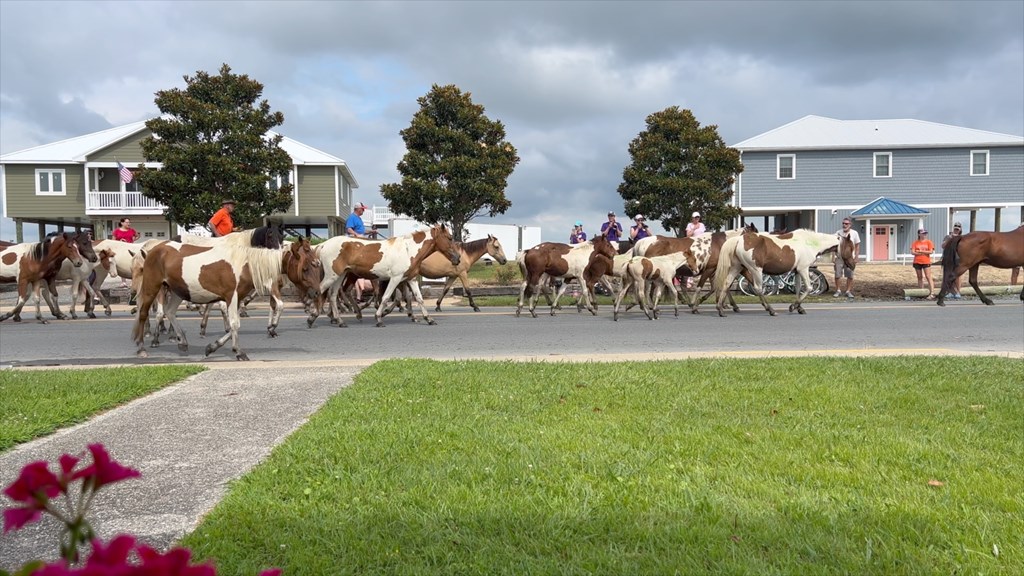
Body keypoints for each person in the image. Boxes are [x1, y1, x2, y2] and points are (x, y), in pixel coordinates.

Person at [833, 217, 861, 298]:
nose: (844, 225)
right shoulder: (838, 233)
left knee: (850, 275)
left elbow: (857, 246)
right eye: (843, 223)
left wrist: (856, 257)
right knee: (837, 274)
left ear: (850, 225)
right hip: (839, 257)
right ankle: (838, 290)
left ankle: (848, 291)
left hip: (849, 258)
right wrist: (833, 257)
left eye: (846, 224)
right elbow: (834, 245)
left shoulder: (854, 233)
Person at [911, 228, 935, 299]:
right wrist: (919, 252)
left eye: (925, 234)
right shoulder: (915, 242)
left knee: (928, 276)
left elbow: (930, 251)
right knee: (919, 277)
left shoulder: (929, 242)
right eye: (923, 233)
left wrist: (921, 251)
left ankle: (932, 292)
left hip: (926, 261)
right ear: (919, 234)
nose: (924, 235)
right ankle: (921, 292)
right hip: (917, 261)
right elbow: (912, 252)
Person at [941, 222, 964, 299]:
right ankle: (950, 291)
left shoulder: (962, 238)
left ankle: (958, 292)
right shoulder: (948, 236)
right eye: (955, 227)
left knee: (958, 275)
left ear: (960, 229)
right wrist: (950, 238)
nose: (956, 228)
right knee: (948, 275)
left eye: (958, 227)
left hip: (957, 258)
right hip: (948, 258)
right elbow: (943, 246)